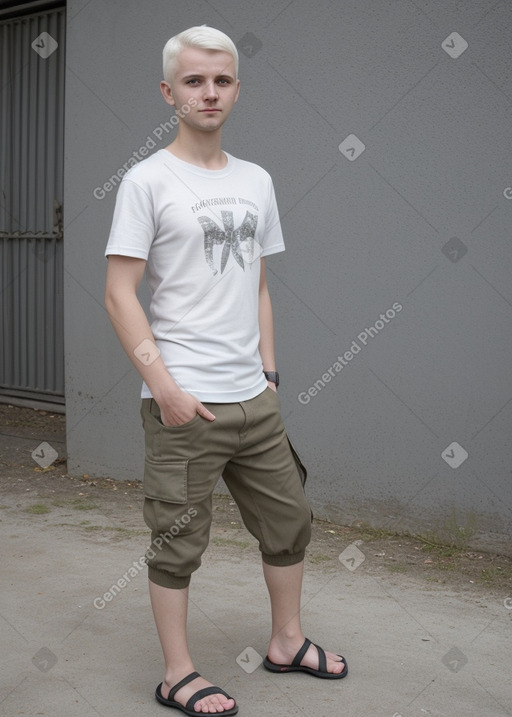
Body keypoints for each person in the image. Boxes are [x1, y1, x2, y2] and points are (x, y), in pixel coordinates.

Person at [104, 25, 347, 716]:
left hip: (253, 399)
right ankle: (178, 673)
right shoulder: (147, 180)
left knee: (290, 519)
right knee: (178, 540)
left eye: (221, 80)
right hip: (186, 404)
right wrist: (168, 388)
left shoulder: (256, 180)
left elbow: (259, 284)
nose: (208, 92)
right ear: (168, 92)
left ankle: (287, 640)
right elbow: (120, 292)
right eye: (193, 81)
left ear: (237, 88)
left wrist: (270, 375)